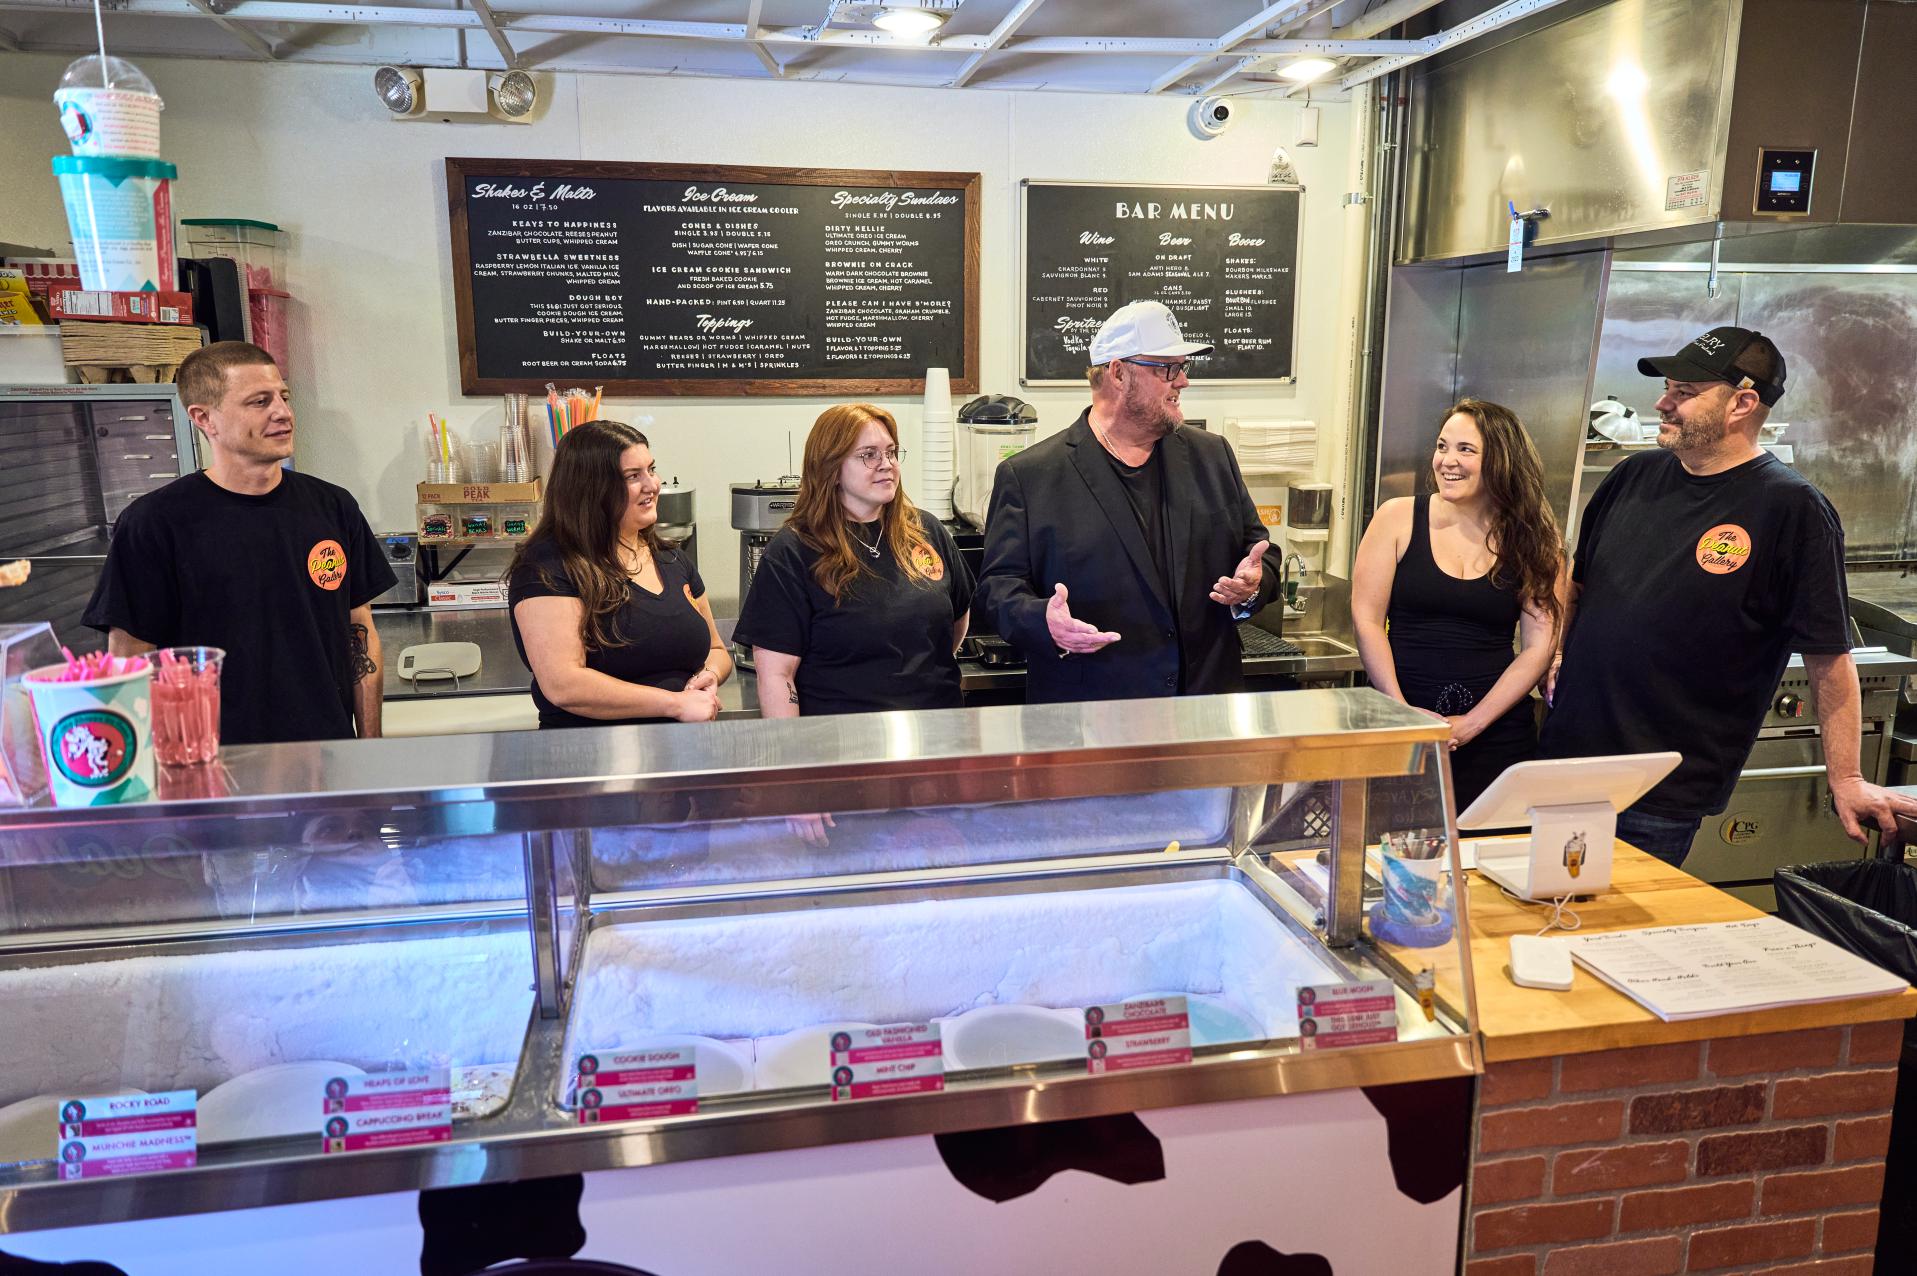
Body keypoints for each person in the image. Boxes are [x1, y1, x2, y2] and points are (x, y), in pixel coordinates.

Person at [1539, 327, 1917, 865]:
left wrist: (1848, 777)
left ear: (1743, 402)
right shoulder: (1632, 476)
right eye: (1668, 388)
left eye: (1684, 393)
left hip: (1661, 787)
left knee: (1616, 937)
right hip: (1564, 762)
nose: (1663, 404)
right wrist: (1554, 650)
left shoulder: (1792, 509)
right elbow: (1577, 588)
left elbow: (1829, 657)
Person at [83, 341, 394, 744]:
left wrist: (370, 749)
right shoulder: (154, 523)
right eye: (259, 401)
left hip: (327, 755)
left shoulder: (333, 507)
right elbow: (130, 659)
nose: (282, 413)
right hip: (211, 765)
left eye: (283, 397)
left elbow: (359, 630)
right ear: (204, 418)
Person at [977, 300, 1278, 702]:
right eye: (1168, 368)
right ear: (1118, 373)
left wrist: (1253, 586)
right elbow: (998, 589)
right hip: (1093, 717)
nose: (1183, 381)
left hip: (1205, 712)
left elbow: (1261, 554)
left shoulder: (1212, 456)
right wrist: (1041, 621)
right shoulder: (1032, 476)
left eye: (1184, 367)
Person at [1352, 398, 1563, 811]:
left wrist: (1473, 723)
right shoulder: (1397, 517)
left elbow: (1539, 647)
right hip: (1399, 730)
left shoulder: (1535, 539)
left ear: (1502, 461)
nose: (1447, 461)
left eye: (1466, 450)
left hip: (1496, 736)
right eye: (1442, 446)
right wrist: (1401, 713)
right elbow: (1367, 620)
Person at [734, 403, 973, 717]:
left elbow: (956, 621)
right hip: (844, 740)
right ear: (831, 468)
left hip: (939, 730)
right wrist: (791, 756)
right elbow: (777, 675)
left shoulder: (926, 530)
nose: (886, 464)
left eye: (891, 452)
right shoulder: (794, 550)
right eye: (869, 454)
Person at [509, 420, 729, 729]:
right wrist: (675, 704)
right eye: (633, 476)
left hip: (681, 752)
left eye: (651, 470)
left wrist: (710, 675)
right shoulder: (547, 567)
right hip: (593, 756)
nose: (652, 485)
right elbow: (564, 685)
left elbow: (717, 650)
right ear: (591, 489)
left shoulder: (671, 558)